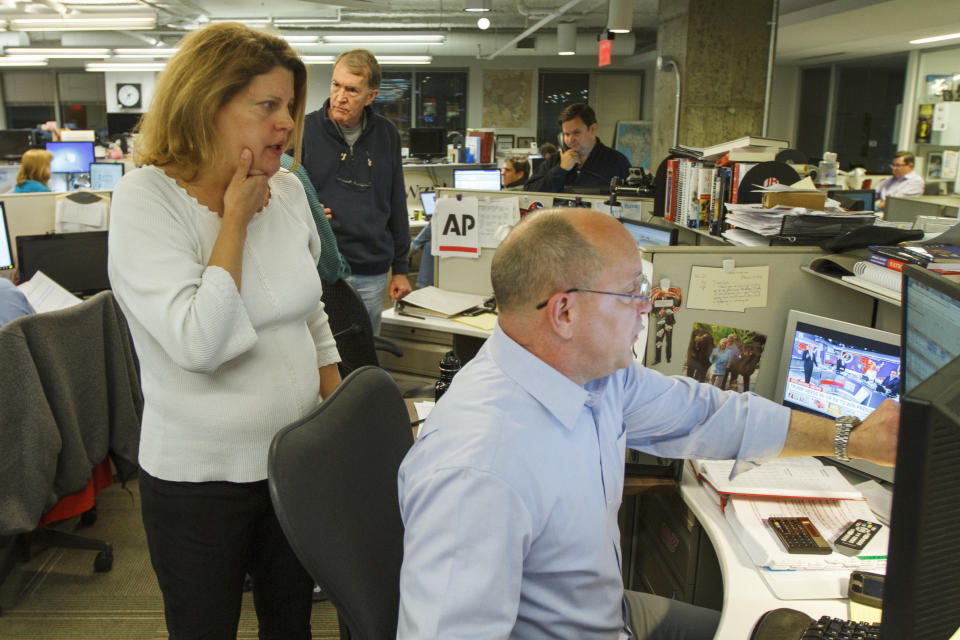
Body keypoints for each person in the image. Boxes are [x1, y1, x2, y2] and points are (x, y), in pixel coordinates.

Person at [396, 207, 899, 639]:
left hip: (610, 616)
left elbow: (708, 413)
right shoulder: (479, 470)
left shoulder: (594, 378)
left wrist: (851, 438)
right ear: (564, 312)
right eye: (632, 291)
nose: (647, 308)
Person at [107, 23, 342, 639]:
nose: (287, 123)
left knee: (290, 620)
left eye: (290, 105)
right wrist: (233, 221)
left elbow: (310, 311)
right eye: (267, 106)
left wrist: (338, 416)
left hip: (291, 465)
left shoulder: (288, 191)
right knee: (204, 627)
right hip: (199, 480)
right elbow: (199, 343)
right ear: (206, 107)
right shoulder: (145, 201)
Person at [300, 48, 411, 335]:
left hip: (370, 269)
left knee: (362, 354)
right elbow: (279, 187)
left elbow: (396, 200)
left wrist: (401, 268)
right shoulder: (304, 130)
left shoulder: (387, 135)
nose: (340, 97)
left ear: (371, 96)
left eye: (351, 89)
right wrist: (304, 208)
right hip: (317, 267)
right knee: (318, 355)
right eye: (336, 85)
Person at [524, 103, 630, 193]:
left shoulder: (616, 161)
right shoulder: (555, 160)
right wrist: (561, 169)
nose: (570, 139)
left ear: (593, 129)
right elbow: (529, 192)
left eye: (576, 133)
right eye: (566, 134)